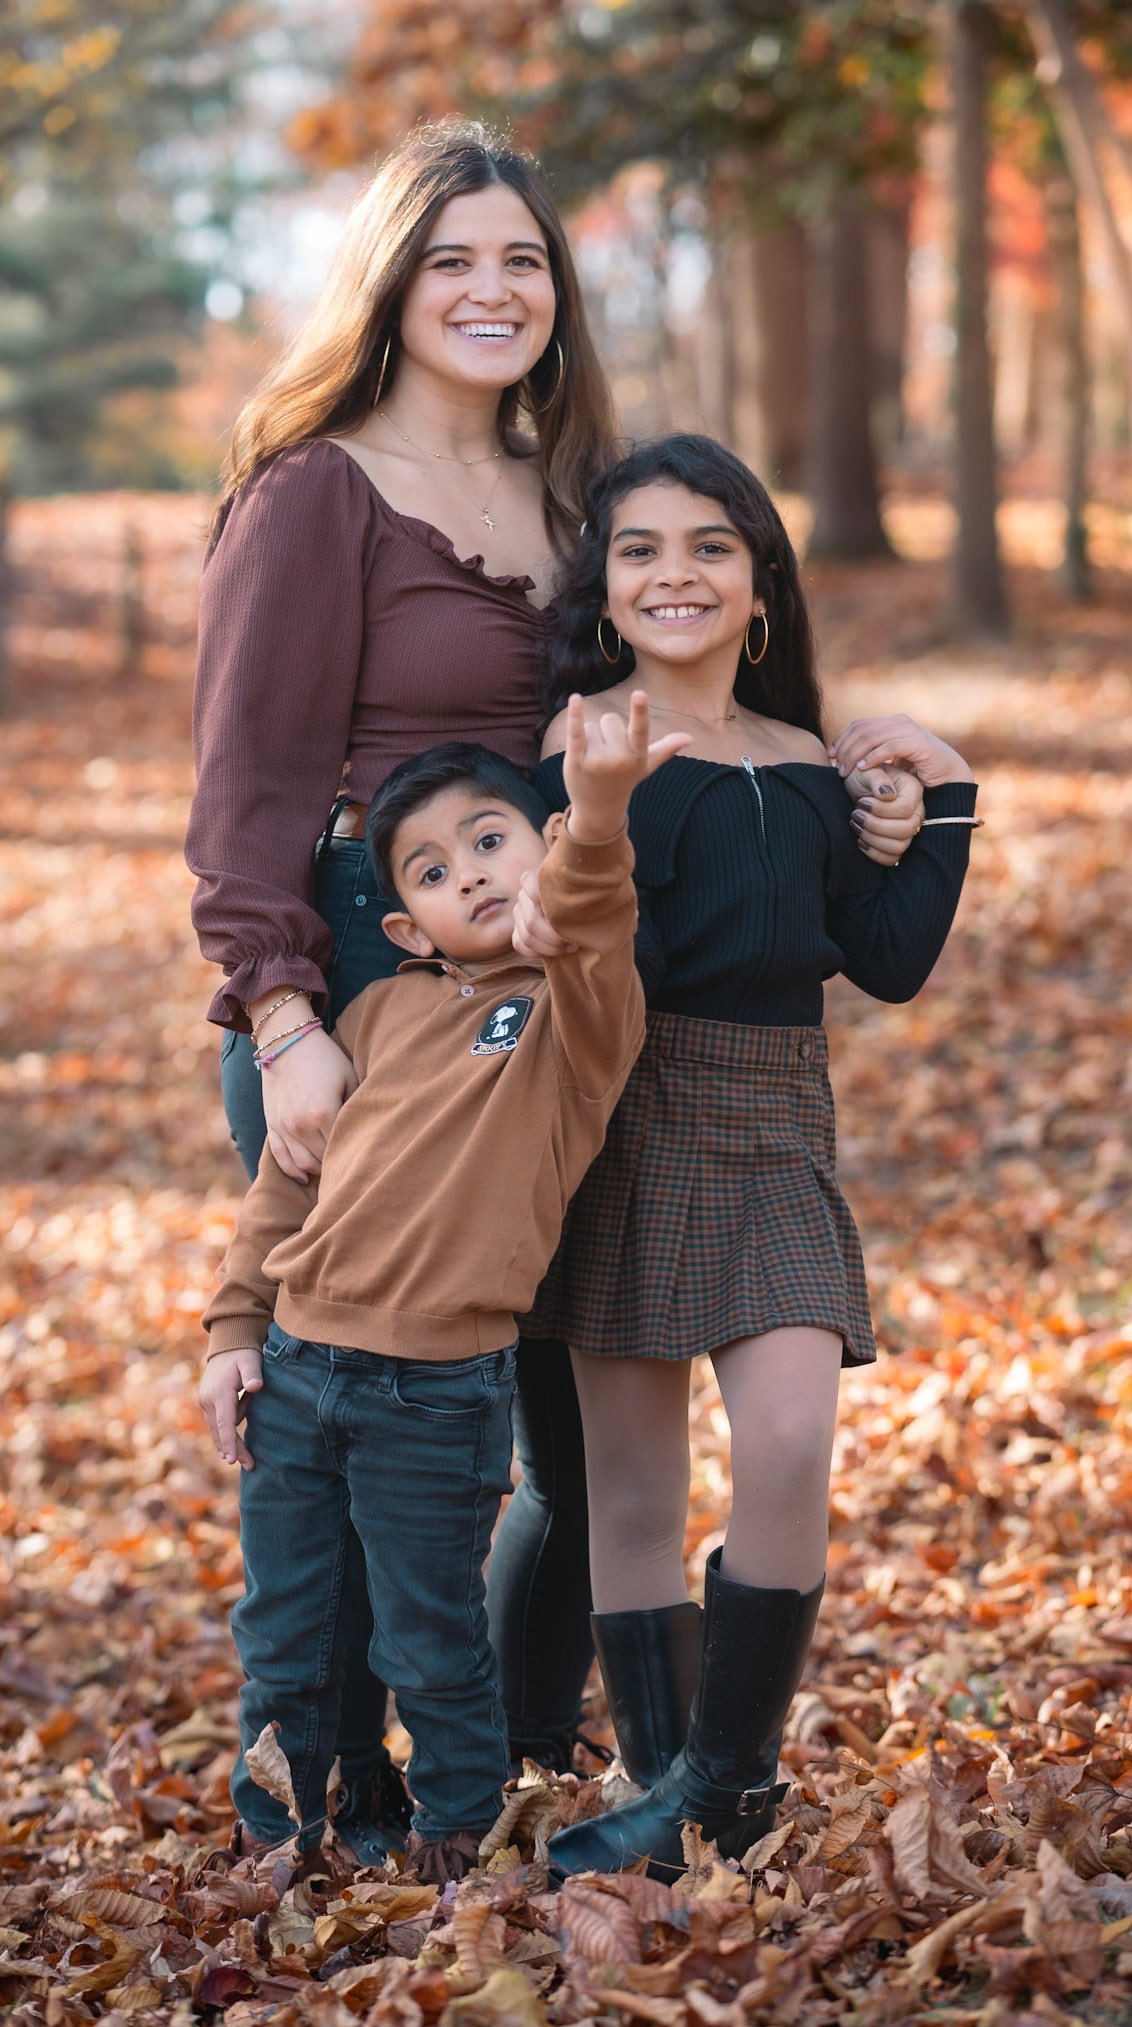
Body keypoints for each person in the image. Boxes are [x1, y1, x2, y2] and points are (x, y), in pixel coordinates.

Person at [184, 118, 924, 1855]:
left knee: (575, 1439)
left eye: (523, 258)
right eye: (451, 259)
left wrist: (857, 788)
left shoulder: (577, 490)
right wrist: (282, 1019)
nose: (492, 289)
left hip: (569, 987)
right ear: (390, 285)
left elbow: (689, 675)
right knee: (365, 1414)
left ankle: (519, 1767)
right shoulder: (316, 492)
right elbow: (244, 795)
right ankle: (327, 1795)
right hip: (366, 984)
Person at [519, 435, 980, 1878]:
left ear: (761, 586)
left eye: (711, 546)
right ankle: (670, 1796)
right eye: (641, 549)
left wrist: (945, 799)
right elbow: (612, 963)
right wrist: (600, 811)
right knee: (634, 1489)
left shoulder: (805, 763)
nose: (677, 574)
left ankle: (725, 1783)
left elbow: (885, 960)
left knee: (787, 1443)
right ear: (606, 591)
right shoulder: (582, 750)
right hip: (625, 1114)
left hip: (778, 1124)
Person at [197, 697, 689, 1882]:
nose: (467, 873)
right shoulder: (374, 1012)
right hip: (299, 1365)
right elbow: (286, 1182)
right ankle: (284, 1832)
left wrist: (594, 822)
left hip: (437, 1388)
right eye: (430, 869)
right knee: (285, 1628)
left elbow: (592, 918)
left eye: (490, 840)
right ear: (404, 926)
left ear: (541, 850)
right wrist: (233, 1326)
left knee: (430, 1634)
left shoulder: (575, 1019)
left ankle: (457, 1834)